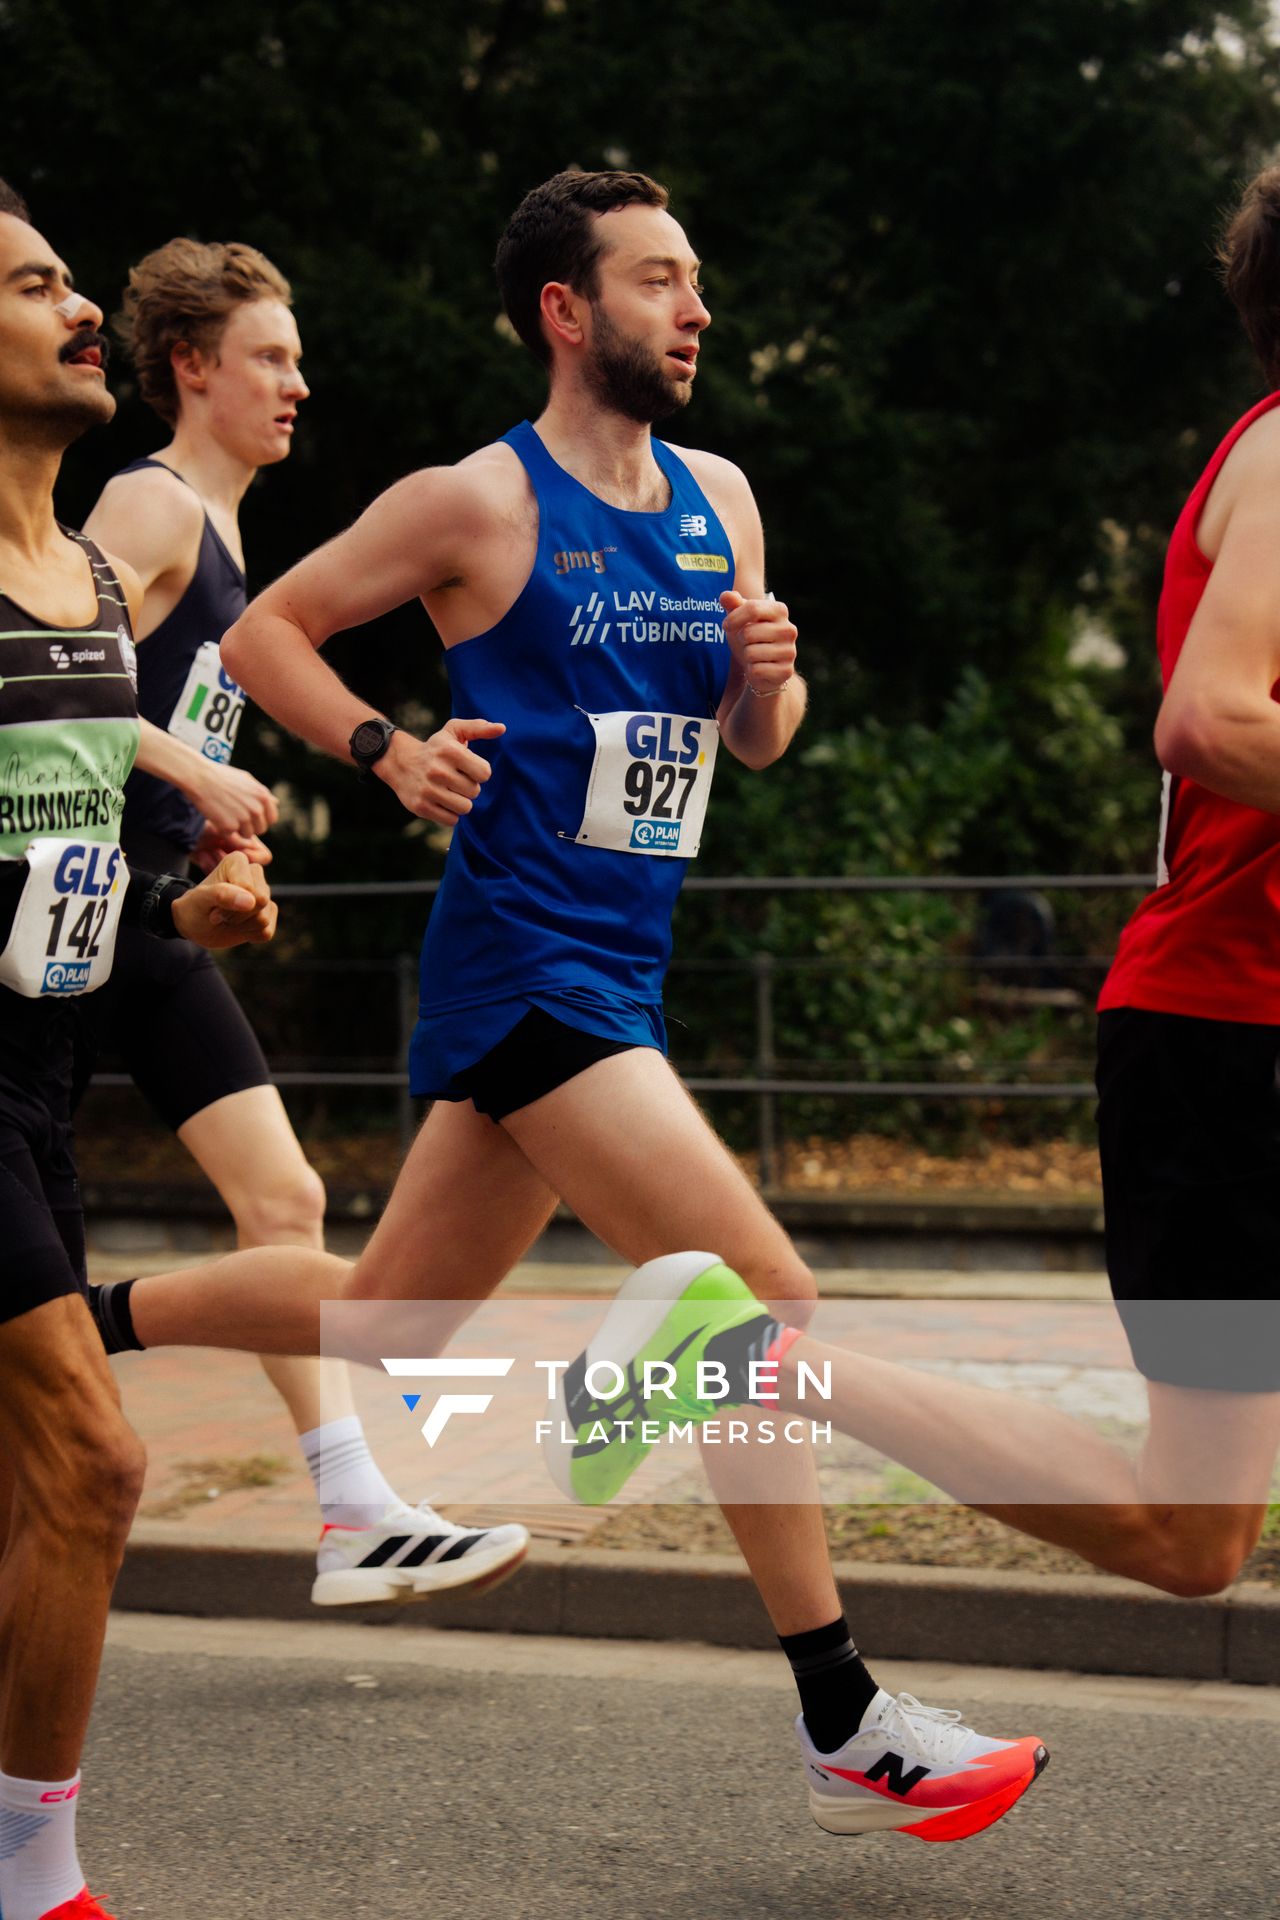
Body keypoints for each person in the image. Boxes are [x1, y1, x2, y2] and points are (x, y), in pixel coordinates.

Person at [219, 167, 1049, 1845]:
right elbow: (262, 634)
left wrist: (767, 675)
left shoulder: (721, 495)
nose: (698, 307)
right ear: (567, 310)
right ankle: (842, 1713)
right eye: (663, 279)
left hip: (625, 964)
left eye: (698, 280)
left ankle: (80, 1317)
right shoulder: (475, 502)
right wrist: (387, 749)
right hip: (526, 959)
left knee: (386, 1326)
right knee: (761, 1297)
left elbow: (757, 743)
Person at [547, 168, 1280, 1604]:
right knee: (1189, 1537)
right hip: (1232, 1043)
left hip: (1229, 1034)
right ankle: (738, 1358)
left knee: (1196, 1540)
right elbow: (1206, 718)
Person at [79, 238, 526, 1605]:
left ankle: (352, 1510)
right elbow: (50, 672)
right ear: (190, 368)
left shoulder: (223, 531)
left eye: (296, 358)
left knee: (284, 1197)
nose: (298, 384)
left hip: (146, 915)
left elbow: (156, 720)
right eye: (270, 358)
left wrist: (206, 831)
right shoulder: (147, 507)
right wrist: (193, 770)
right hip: (62, 908)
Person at [0, 179, 282, 1920]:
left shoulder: (97, 582)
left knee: (42, 1488)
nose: (75, 303)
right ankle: (40, 1881)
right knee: (94, 1462)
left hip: (41, 1077)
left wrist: (190, 929)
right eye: (31, 286)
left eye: (63, 278)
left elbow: (70, 869)